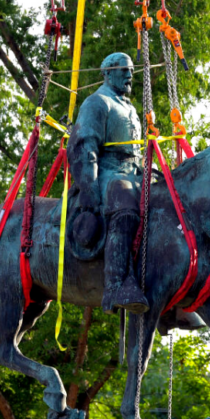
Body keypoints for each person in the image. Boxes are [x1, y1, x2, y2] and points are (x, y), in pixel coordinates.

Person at [67, 52, 148, 315]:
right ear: (108, 72)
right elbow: (84, 147)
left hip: (133, 172)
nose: (129, 76)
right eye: (124, 70)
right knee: (124, 200)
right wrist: (88, 189)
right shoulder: (97, 102)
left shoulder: (130, 108)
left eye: (131, 72)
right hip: (107, 173)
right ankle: (115, 286)